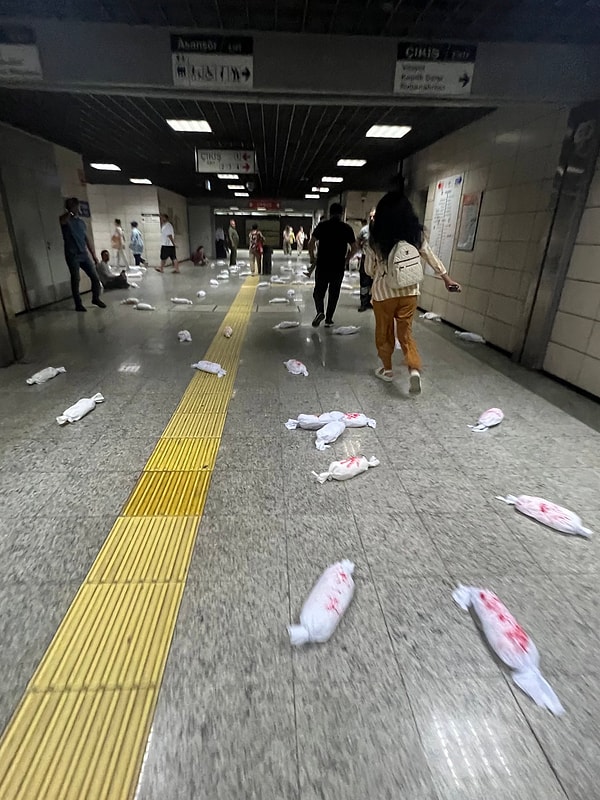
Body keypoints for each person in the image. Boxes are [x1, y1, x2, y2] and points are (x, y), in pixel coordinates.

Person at [364, 191, 461, 394]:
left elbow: (368, 270)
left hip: (383, 294)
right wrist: (446, 278)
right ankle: (414, 369)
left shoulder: (376, 236)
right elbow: (429, 256)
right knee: (405, 333)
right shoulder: (415, 234)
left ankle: (388, 370)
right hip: (410, 292)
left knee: (384, 332)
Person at [308, 203, 357, 328]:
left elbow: (311, 243)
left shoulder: (322, 226)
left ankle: (320, 311)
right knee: (334, 293)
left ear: (330, 213)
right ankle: (329, 319)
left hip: (323, 265)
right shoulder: (346, 228)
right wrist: (346, 260)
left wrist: (313, 258)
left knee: (318, 292)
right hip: (338, 266)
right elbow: (354, 248)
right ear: (341, 214)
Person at [59, 197, 105, 312]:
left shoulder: (81, 222)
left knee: (94, 277)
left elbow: (86, 239)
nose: (77, 209)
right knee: (76, 279)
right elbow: (62, 221)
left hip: (83, 254)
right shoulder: (65, 220)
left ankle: (96, 298)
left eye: (76, 206)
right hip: (72, 254)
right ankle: (78, 304)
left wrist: (93, 255)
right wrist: (70, 212)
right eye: (75, 207)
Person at [358, 209, 376, 312]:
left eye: (374, 217)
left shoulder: (382, 230)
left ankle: (372, 301)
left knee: (375, 282)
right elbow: (358, 242)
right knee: (364, 282)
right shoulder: (364, 230)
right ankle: (363, 303)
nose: (372, 219)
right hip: (366, 258)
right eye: (370, 217)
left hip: (378, 260)